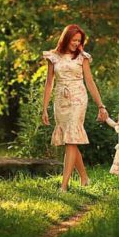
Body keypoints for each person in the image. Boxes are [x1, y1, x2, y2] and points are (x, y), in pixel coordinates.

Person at [42, 24, 109, 192]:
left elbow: (90, 81)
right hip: (60, 99)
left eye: (79, 41)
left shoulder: (82, 57)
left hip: (78, 98)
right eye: (74, 40)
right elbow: (49, 83)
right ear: (66, 39)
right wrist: (44, 108)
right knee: (69, 140)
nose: (76, 44)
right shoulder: (53, 57)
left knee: (71, 139)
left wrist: (101, 105)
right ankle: (84, 178)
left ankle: (64, 186)